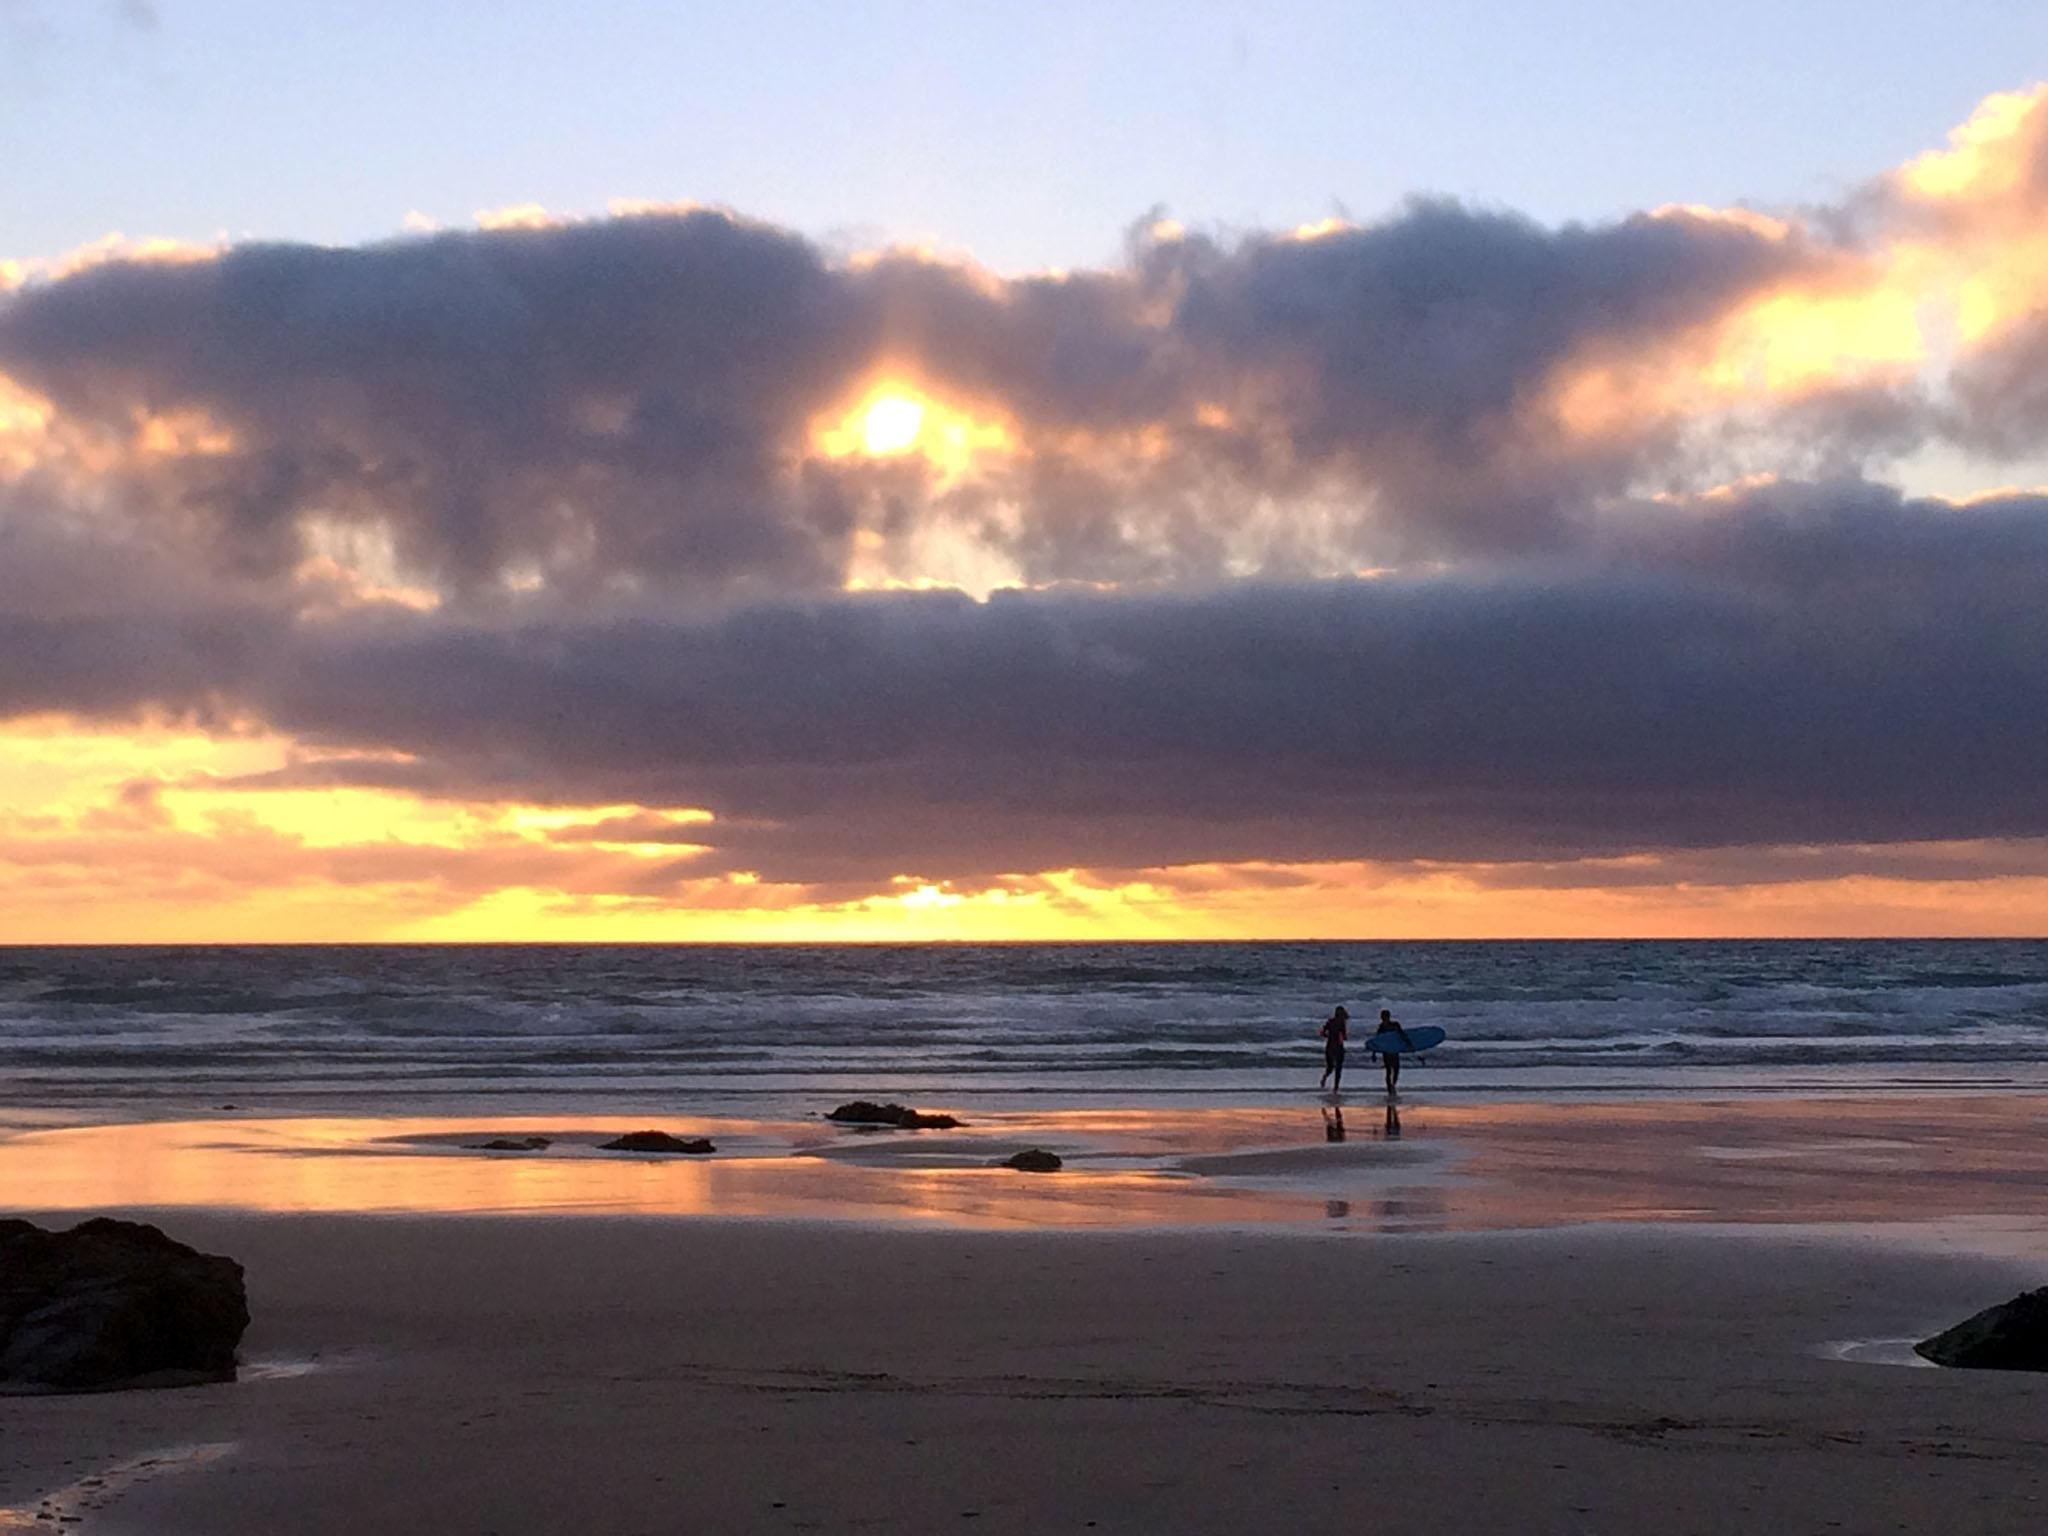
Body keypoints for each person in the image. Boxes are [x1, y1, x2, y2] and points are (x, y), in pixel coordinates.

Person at [1373, 1008, 1411, 1096]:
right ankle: (1389, 1088)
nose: (1384, 1019)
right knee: (1389, 1070)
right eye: (1383, 1017)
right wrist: (1374, 1053)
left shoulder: (1395, 1025)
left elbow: (1402, 1034)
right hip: (1386, 1051)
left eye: (1385, 1017)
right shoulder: (1381, 1028)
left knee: (1396, 1069)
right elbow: (1377, 1041)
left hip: (1394, 1050)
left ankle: (1393, 1084)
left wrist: (1408, 1043)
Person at [1317, 1005, 1349, 1092]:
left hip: (1330, 1046)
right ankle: (1336, 1087)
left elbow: (1322, 1032)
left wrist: (1327, 1035)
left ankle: (1325, 1077)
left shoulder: (1330, 1022)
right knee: (1338, 1069)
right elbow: (1344, 1036)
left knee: (1330, 1067)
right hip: (1338, 1046)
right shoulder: (1342, 1023)